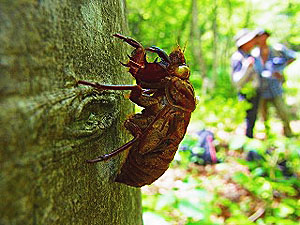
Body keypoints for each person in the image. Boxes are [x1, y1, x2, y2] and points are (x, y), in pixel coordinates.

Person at [254, 29, 296, 137]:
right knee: (264, 115)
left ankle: (288, 134)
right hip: (261, 88)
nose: (262, 39)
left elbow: (292, 57)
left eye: (264, 36)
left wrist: (281, 69)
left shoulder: (276, 49)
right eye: (259, 37)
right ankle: (267, 135)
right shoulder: (254, 54)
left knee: (283, 112)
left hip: (275, 87)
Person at [231, 29, 261, 138]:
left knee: (252, 120)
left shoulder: (251, 56)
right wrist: (246, 67)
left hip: (255, 92)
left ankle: (250, 142)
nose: (254, 42)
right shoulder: (238, 57)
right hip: (245, 94)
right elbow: (236, 81)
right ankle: (245, 146)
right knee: (246, 121)